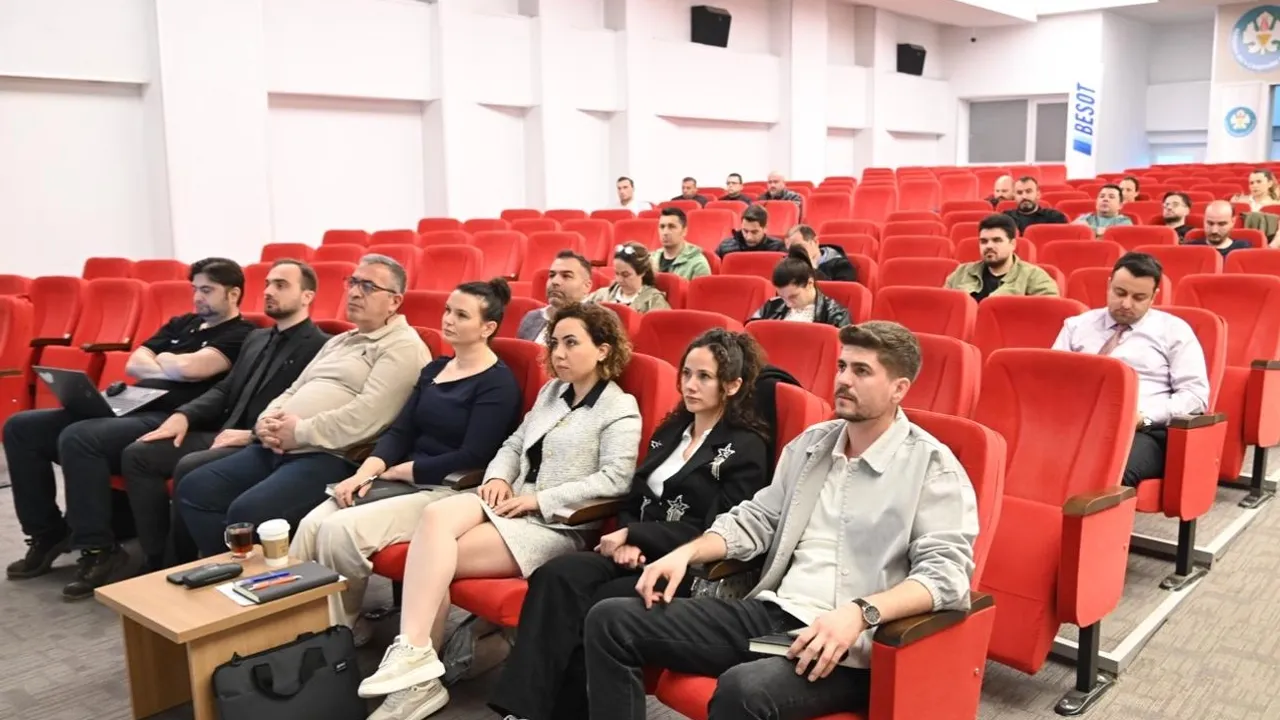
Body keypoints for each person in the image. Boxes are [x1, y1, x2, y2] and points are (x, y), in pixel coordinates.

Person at [583, 321, 980, 720]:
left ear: (899, 388)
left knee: (743, 689)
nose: (844, 380)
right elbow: (757, 518)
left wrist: (860, 613)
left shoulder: (932, 467)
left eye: (862, 371)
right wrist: (685, 554)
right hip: (777, 621)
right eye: (842, 366)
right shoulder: (812, 445)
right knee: (611, 620)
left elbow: (946, 577)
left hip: (850, 646)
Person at [357, 302, 642, 720]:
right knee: (434, 519)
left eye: (571, 343)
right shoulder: (551, 392)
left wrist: (539, 500)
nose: (559, 353)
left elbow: (616, 479)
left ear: (602, 350)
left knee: (435, 560)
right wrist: (497, 478)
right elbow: (513, 444)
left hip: (555, 523)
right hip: (509, 502)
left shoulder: (619, 407)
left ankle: (417, 683)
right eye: (554, 343)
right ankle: (415, 657)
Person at [488, 329, 773, 720]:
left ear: (732, 385)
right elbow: (634, 491)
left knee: (599, 604)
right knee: (557, 576)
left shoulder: (746, 447)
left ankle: (566, 712)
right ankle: (523, 710)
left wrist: (638, 536)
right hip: (635, 549)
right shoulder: (673, 428)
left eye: (704, 377)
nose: (690, 385)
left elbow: (720, 528)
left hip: (689, 569)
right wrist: (627, 537)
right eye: (686, 373)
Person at [4, 258, 255, 599]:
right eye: (195, 289)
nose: (197, 297)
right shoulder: (181, 323)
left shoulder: (241, 334)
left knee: (80, 437)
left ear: (233, 294)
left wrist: (163, 359)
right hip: (129, 405)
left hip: (169, 416)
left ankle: (99, 549)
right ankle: (47, 533)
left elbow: (193, 369)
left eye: (207, 290)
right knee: (22, 427)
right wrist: (170, 364)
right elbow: (135, 363)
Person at [291, 279, 522, 645]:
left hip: (447, 490)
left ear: (487, 327)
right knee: (310, 525)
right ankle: (292, 627)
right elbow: (400, 431)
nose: (448, 320)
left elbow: (475, 455)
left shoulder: (498, 383)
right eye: (448, 310)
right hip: (400, 480)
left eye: (462, 315)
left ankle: (339, 632)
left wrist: (405, 470)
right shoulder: (434, 370)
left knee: (339, 531)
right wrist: (364, 473)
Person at [175, 254, 429, 557]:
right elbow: (294, 389)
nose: (354, 292)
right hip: (280, 446)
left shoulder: (402, 346)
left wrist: (299, 432)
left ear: (395, 301)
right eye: (353, 283)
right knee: (196, 488)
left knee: (248, 512)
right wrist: (266, 422)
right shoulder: (339, 341)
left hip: (333, 456)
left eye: (368, 287)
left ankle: (252, 578)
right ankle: (230, 573)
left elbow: (368, 417)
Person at [120, 259, 328, 572]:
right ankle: (157, 557)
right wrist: (184, 415)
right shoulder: (257, 338)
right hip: (225, 430)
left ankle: (182, 564)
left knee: (190, 467)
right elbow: (225, 388)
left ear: (307, 296)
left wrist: (251, 435)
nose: (268, 291)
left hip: (260, 441)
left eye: (281, 285)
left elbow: (304, 405)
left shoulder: (321, 346)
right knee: (139, 454)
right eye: (267, 284)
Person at [1052, 253, 1209, 487]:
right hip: (1078, 425)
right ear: (1109, 285)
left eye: (1138, 297)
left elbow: (1195, 396)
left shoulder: (1174, 331)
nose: (1126, 304)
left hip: (1143, 431)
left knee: (1104, 473)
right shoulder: (1076, 326)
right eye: (1120, 293)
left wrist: (1145, 417)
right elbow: (1053, 380)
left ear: (1154, 297)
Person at [945, 214, 1059, 301]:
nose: (989, 246)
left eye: (997, 240)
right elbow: (945, 307)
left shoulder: (1034, 277)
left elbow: (1047, 312)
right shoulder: (961, 273)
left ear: (1012, 244)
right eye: (984, 241)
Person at [748, 247, 852, 327]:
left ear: (810, 283)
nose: (788, 304)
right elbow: (751, 334)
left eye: (793, 296)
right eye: (782, 297)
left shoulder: (836, 315)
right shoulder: (771, 306)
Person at [516, 251, 594, 343]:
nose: (555, 281)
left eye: (566, 276)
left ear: (586, 286)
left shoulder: (597, 321)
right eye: (552, 275)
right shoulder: (532, 318)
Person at [587, 243, 670, 312]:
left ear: (642, 272)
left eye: (625, 275)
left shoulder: (654, 300)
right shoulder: (602, 295)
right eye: (617, 273)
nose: (619, 280)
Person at [652, 207, 712, 281]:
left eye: (672, 227)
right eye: (662, 227)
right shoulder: (651, 259)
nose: (665, 232)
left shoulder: (698, 264)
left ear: (684, 231)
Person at [785, 224, 856, 282]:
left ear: (815, 242)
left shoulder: (842, 266)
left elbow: (838, 292)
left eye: (798, 246)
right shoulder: (788, 265)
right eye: (789, 249)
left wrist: (813, 269)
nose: (793, 252)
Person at [715, 204, 785, 258]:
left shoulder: (778, 249)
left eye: (754, 232)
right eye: (745, 231)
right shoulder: (725, 247)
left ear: (765, 228)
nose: (749, 237)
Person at [1187, 200, 1251, 258]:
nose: (1214, 231)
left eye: (1221, 224)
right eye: (1210, 223)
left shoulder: (1243, 248)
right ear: (1204, 220)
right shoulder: (1190, 249)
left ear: (1233, 222)